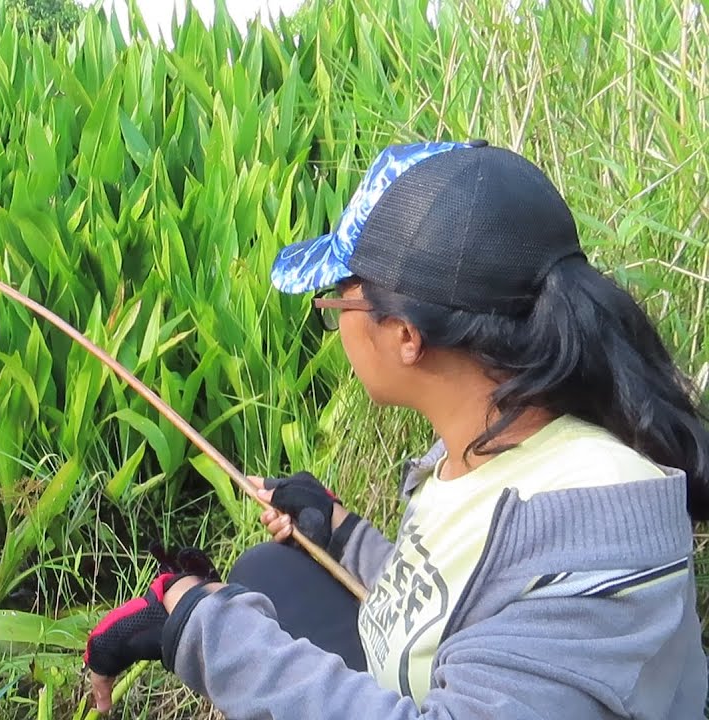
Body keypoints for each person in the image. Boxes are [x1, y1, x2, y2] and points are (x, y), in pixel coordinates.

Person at [82, 139, 709, 718]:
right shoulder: (483, 444)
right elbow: (455, 604)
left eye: (339, 301)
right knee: (270, 573)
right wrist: (341, 533)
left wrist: (202, 628)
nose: (336, 322)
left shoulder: (593, 537)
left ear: (406, 335)